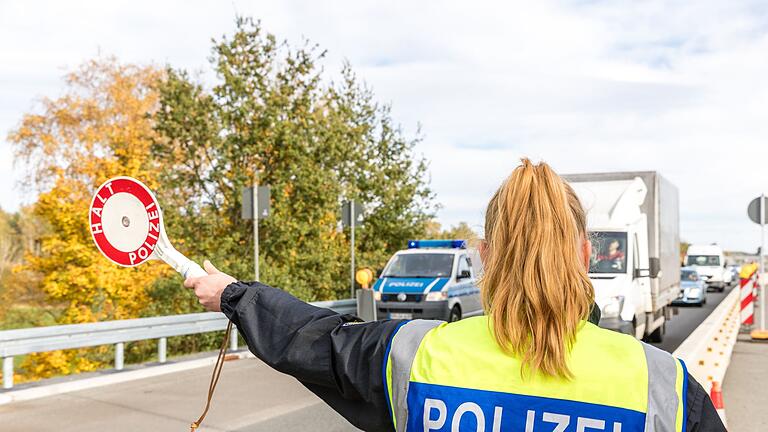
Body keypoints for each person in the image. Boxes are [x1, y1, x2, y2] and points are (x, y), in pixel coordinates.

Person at [185, 159, 725, 432]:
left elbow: (314, 340)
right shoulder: (663, 387)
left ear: (486, 256)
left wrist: (232, 294)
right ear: (584, 255)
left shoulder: (416, 355)